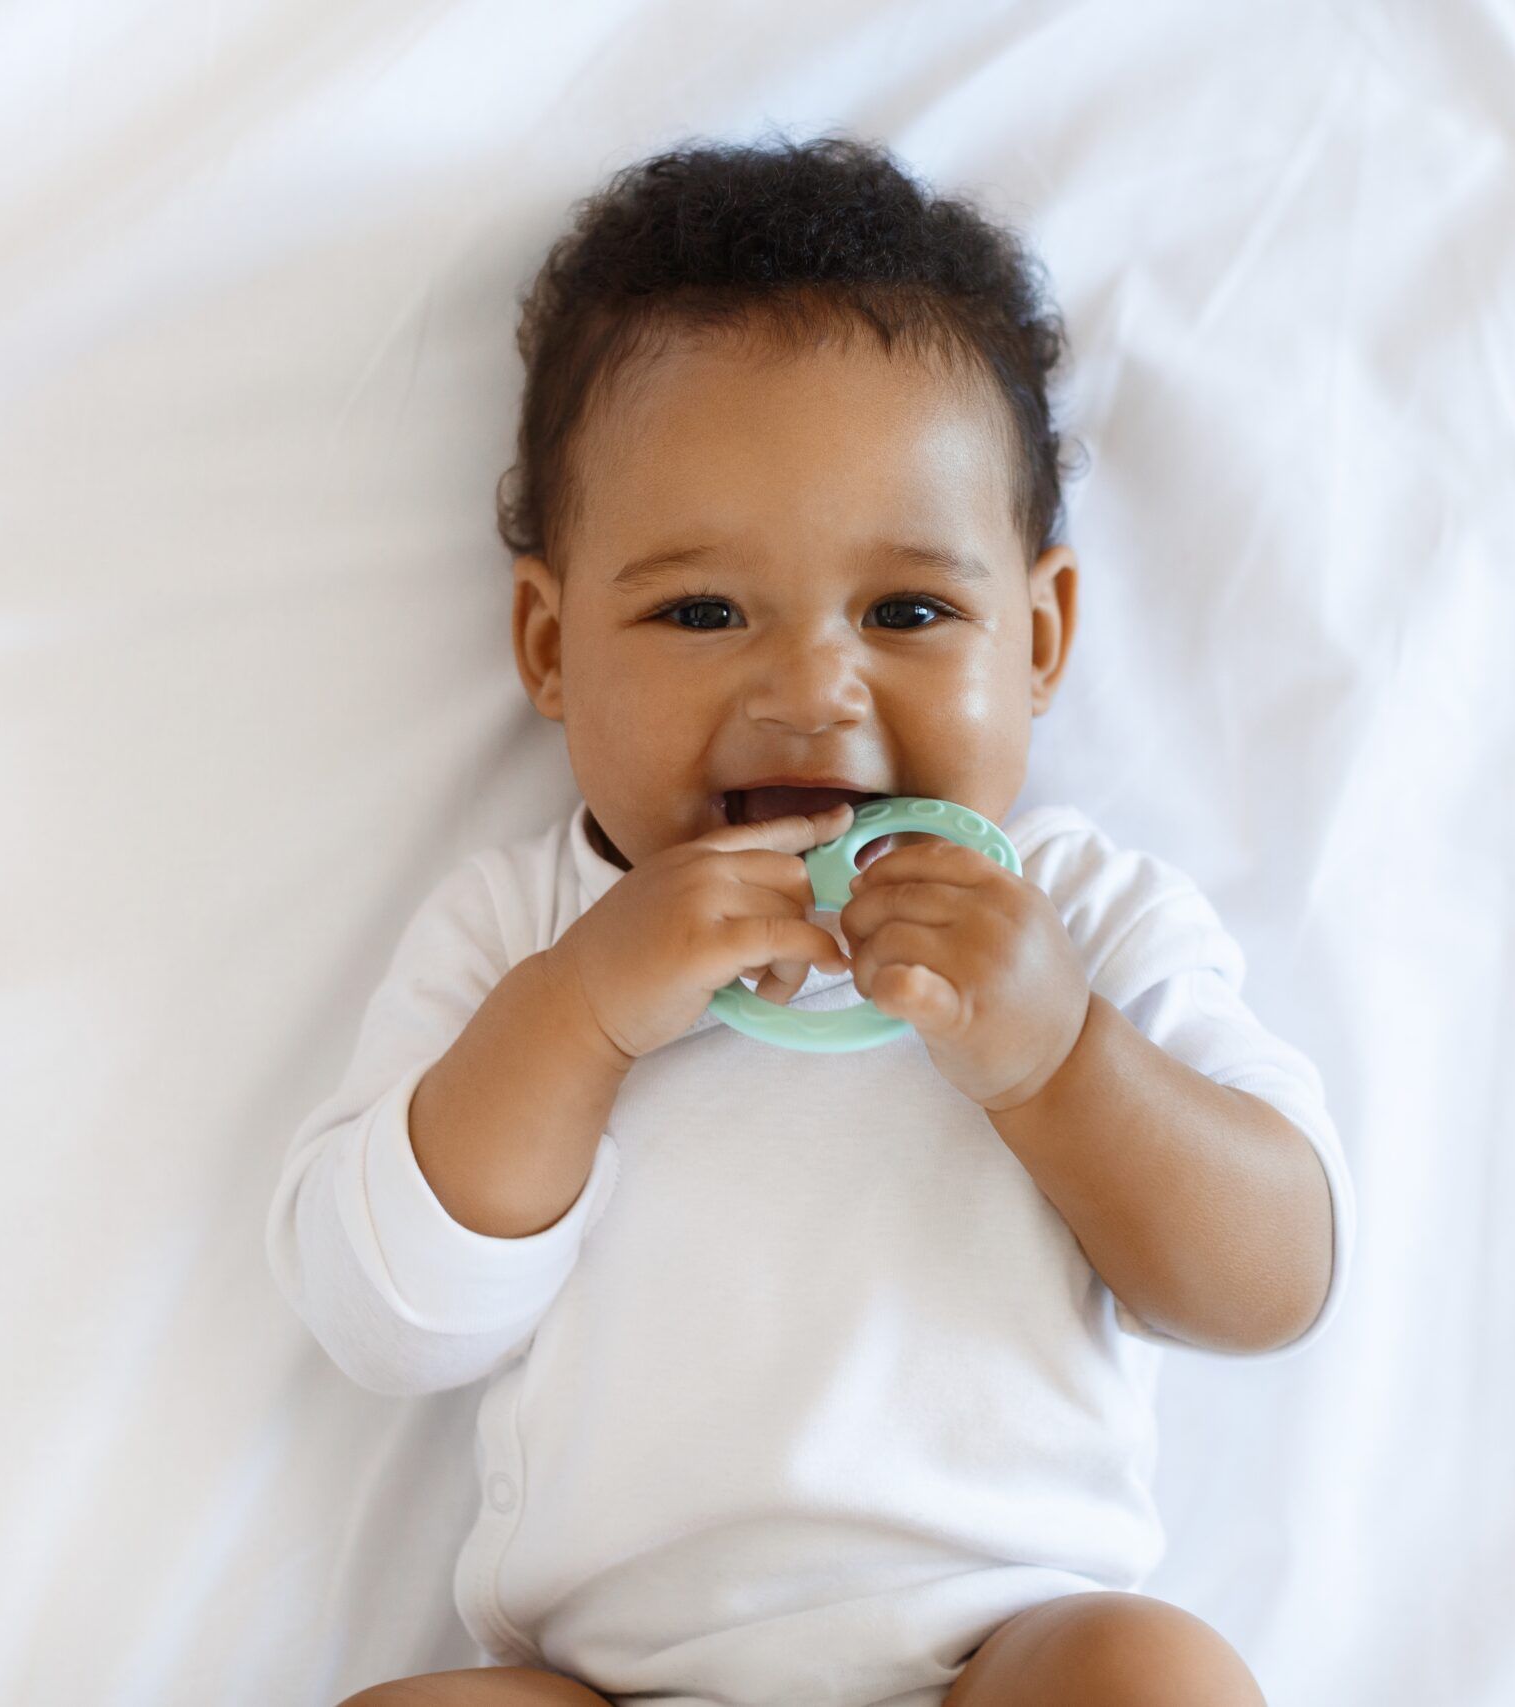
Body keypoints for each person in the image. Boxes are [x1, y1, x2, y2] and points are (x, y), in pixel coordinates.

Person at [267, 133, 1357, 1707]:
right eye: (701, 612)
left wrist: (1059, 1062)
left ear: (1039, 635)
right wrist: (580, 1015)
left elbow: (1272, 1280)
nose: (810, 690)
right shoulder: (522, 934)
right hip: (611, 1679)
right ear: (550, 644)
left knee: (1156, 1674)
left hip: (999, 1651)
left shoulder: (1081, 920)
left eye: (908, 612)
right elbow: (385, 1319)